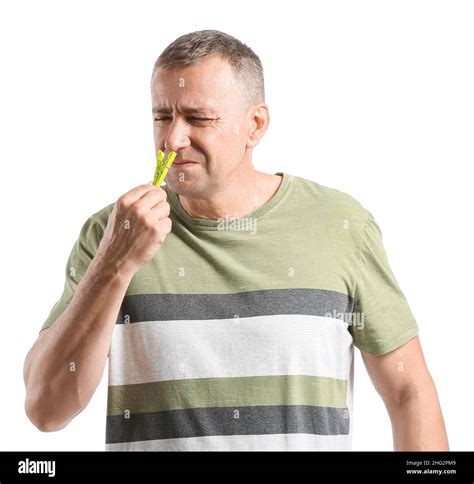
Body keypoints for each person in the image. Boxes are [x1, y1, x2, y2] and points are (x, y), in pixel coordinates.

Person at [23, 29, 449, 451]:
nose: (172, 140)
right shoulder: (112, 233)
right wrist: (114, 265)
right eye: (162, 117)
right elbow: (46, 410)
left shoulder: (341, 226)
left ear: (255, 125)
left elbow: (408, 392)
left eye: (198, 118)